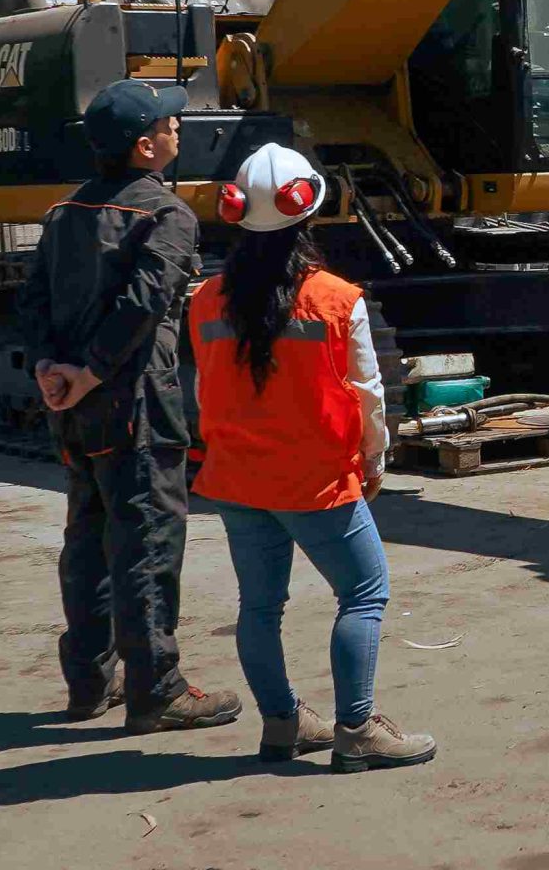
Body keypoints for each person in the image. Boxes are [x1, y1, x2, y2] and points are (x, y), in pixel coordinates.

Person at [187, 143, 437, 772]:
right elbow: (367, 394)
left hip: (236, 479)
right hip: (316, 481)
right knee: (364, 593)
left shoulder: (205, 300)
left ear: (237, 213)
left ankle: (282, 724)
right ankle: (356, 731)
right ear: (308, 214)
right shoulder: (337, 299)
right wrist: (375, 461)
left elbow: (203, 389)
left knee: (260, 606)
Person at [17, 78, 242, 734]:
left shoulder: (65, 213)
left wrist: (51, 372)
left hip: (75, 408)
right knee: (145, 540)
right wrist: (86, 374)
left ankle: (89, 681)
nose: (179, 131)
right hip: (135, 403)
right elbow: (142, 306)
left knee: (87, 536)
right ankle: (156, 688)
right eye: (171, 125)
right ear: (146, 147)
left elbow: (32, 300)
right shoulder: (165, 215)